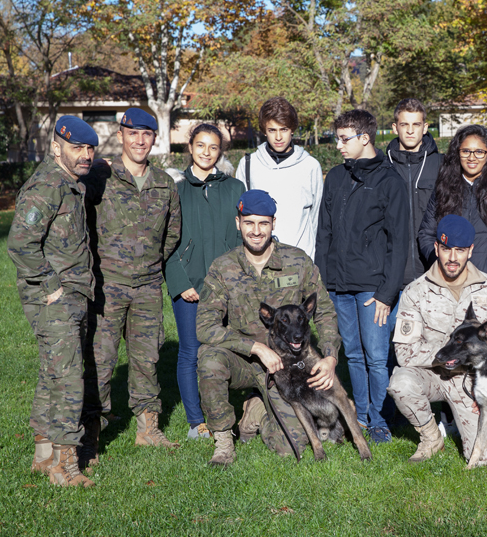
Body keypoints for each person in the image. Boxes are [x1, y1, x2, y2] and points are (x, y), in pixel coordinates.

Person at [196, 190, 341, 465]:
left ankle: (258, 411)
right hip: (242, 360)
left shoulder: (297, 262)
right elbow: (205, 326)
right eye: (249, 222)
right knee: (209, 359)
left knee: (292, 447)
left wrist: (331, 356)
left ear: (273, 224)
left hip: (287, 368)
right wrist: (256, 348)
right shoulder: (223, 268)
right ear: (238, 223)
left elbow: (324, 311)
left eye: (263, 223)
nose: (256, 231)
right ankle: (224, 441)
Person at [81, 107, 182, 453]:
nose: (140, 140)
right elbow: (75, 208)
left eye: (147, 134)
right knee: (101, 359)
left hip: (148, 287)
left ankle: (147, 428)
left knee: (147, 358)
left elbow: (172, 234)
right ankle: (91, 433)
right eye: (133, 133)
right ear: (121, 135)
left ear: (154, 138)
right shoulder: (101, 176)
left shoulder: (164, 184)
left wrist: (149, 263)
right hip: (107, 286)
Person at [8, 116, 99, 487]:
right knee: (68, 379)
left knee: (51, 374)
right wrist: (52, 286)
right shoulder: (47, 186)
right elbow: (19, 243)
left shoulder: (69, 183)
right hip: (54, 299)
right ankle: (65, 465)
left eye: (90, 149)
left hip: (70, 294)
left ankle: (43, 455)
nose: (86, 155)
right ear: (57, 147)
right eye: (78, 148)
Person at [389, 215, 487, 464]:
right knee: (401, 383)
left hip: (478, 380)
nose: (452, 258)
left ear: (470, 251)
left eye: (460, 250)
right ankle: (431, 437)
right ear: (437, 248)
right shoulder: (415, 291)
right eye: (446, 249)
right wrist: (453, 356)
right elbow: (405, 353)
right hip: (435, 374)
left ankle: (461, 424)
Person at [315, 109, 409, 444]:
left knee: (376, 356)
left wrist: (387, 293)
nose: (339, 145)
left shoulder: (390, 181)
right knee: (353, 354)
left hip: (372, 289)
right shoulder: (336, 178)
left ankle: (381, 418)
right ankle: (363, 416)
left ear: (364, 138)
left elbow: (399, 244)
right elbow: (323, 233)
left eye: (344, 139)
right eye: (337, 138)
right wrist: (323, 283)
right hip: (339, 286)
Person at [164, 123, 246, 441]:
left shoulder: (234, 187)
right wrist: (180, 281)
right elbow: (166, 241)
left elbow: (243, 238)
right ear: (190, 147)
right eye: (201, 145)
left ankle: (224, 413)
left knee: (224, 350)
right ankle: (196, 421)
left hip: (225, 286)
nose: (206, 152)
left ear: (220, 151)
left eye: (213, 147)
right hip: (189, 285)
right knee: (190, 351)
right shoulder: (178, 188)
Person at [417, 124, 487, 297]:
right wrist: (440, 263)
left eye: (479, 152)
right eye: (466, 151)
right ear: (458, 153)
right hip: (449, 283)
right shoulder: (444, 187)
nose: (472, 157)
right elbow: (426, 233)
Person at [234, 97, 323, 258]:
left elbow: (316, 218)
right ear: (264, 130)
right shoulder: (249, 164)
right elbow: (242, 217)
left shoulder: (310, 166)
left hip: (301, 261)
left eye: (284, 129)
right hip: (259, 260)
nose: (278, 137)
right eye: (272, 130)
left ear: (293, 129)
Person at [387, 98, 442, 288]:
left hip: (434, 273)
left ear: (425, 127)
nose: (410, 130)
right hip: (391, 277)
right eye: (404, 124)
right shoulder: (382, 167)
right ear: (395, 127)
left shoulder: (442, 165)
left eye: (416, 124)